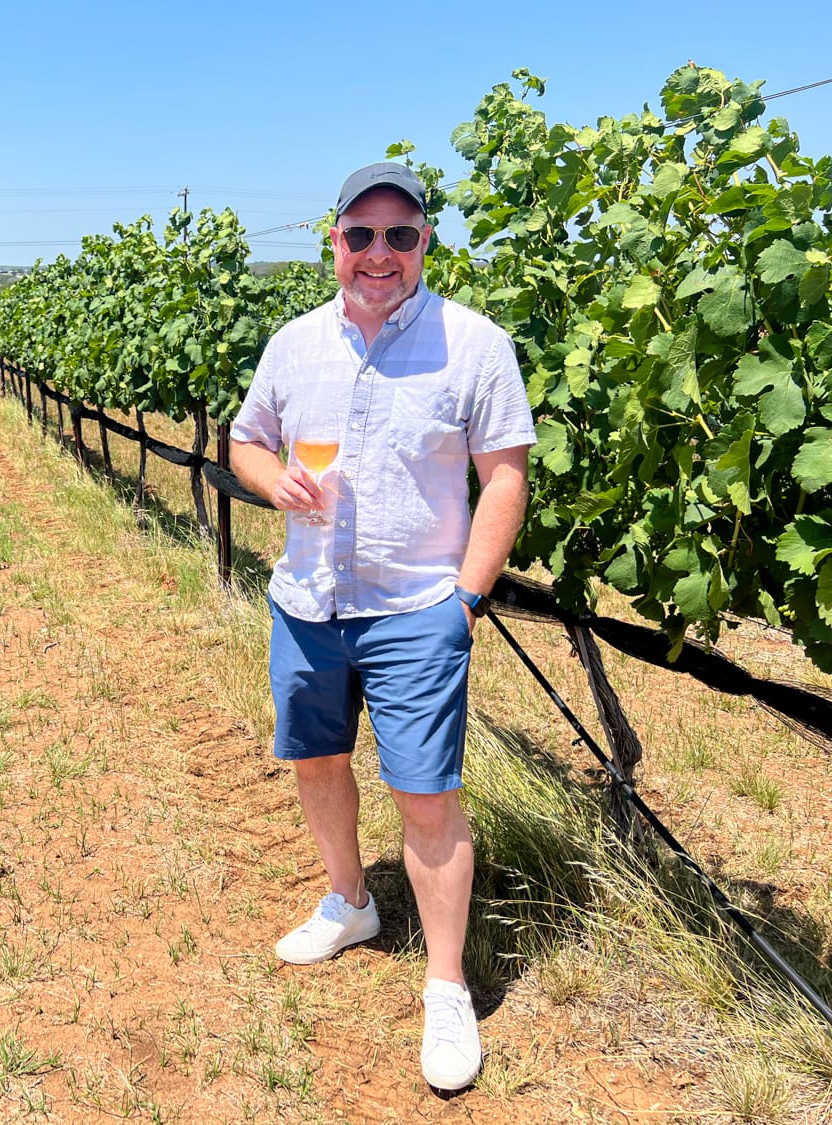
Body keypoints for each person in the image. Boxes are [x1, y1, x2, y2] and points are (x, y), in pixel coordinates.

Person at [228, 162, 535, 1092]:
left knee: (426, 793)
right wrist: (266, 476)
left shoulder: (474, 345)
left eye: (401, 236)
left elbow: (507, 477)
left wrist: (466, 600)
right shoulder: (293, 345)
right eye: (361, 234)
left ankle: (447, 987)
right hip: (307, 600)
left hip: (414, 610)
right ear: (334, 242)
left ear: (425, 245)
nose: (379, 253)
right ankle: (350, 899)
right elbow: (246, 439)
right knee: (315, 761)